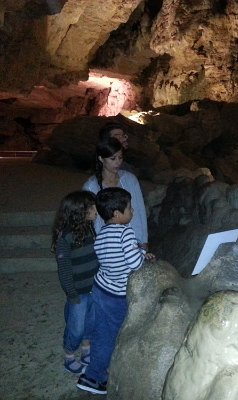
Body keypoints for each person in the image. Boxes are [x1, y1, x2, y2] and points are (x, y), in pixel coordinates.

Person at [77, 187, 155, 395]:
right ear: (117, 214)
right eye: (129, 208)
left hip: (101, 287)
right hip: (116, 295)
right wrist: (142, 254)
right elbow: (134, 263)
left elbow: (114, 257)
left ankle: (93, 369)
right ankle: (93, 377)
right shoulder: (125, 232)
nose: (133, 211)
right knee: (109, 336)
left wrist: (138, 253)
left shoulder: (102, 233)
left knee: (101, 330)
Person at [51, 190, 99, 374]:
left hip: (94, 288)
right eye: (91, 207)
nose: (96, 210)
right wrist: (71, 293)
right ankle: (69, 355)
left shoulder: (90, 228)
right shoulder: (65, 237)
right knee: (76, 327)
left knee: (91, 322)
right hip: (78, 292)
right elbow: (64, 270)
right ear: (79, 212)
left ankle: (86, 349)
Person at [82, 137, 148, 248]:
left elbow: (140, 210)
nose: (118, 162)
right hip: (107, 245)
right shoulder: (90, 187)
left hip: (133, 241)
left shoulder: (130, 179)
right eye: (113, 158)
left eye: (120, 157)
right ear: (101, 159)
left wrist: (143, 240)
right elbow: (90, 219)